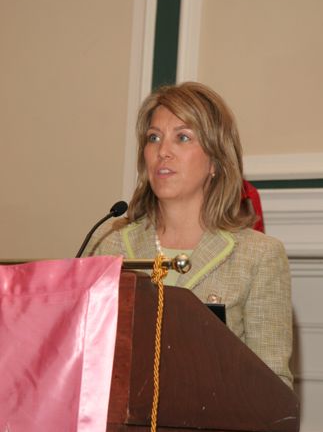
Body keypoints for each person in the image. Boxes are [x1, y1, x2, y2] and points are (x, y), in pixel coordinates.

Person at [84, 81, 293, 388]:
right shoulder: (108, 240)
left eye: (182, 137)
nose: (162, 151)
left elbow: (275, 393)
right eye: (153, 138)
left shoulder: (258, 256)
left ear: (216, 161)